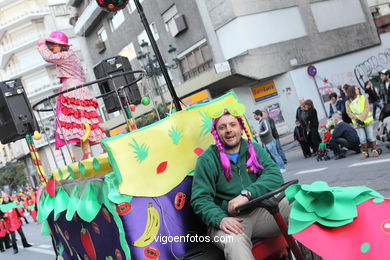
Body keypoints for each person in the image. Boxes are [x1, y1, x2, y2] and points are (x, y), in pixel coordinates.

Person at [191, 103, 290, 260]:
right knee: (235, 243)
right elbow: (200, 199)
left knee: (302, 204)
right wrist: (220, 219)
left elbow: (274, 175)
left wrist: (247, 194)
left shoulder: (254, 149)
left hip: (262, 212)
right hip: (229, 221)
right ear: (216, 132)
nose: (228, 130)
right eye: (222, 127)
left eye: (232, 124)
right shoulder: (207, 159)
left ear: (241, 128)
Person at [38, 31, 106, 160]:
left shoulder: (66, 55)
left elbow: (47, 56)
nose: (52, 49)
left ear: (61, 46)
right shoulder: (69, 56)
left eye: (53, 46)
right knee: (82, 121)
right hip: (76, 88)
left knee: (82, 120)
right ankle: (88, 152)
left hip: (73, 89)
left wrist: (42, 44)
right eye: (50, 47)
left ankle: (101, 148)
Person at [345, 84, 379, 160]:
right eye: (356, 89)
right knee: (362, 138)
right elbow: (348, 112)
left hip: (367, 121)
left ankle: (374, 150)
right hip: (357, 123)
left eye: (358, 89)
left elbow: (367, 109)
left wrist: (361, 119)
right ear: (352, 91)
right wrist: (356, 119)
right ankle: (365, 153)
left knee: (370, 136)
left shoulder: (363, 98)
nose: (358, 90)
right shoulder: (348, 102)